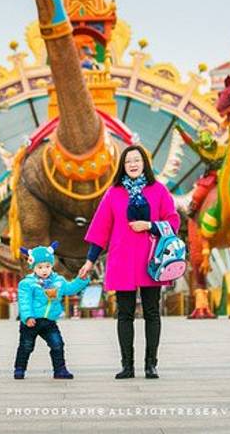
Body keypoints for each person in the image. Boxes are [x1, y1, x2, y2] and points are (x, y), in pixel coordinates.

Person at [79, 144, 181, 379]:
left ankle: (151, 365)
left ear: (145, 163)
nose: (133, 164)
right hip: (122, 260)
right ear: (122, 166)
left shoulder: (159, 190)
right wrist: (89, 261)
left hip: (152, 260)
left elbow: (173, 222)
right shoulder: (113, 193)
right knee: (124, 314)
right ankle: (127, 365)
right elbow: (101, 229)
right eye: (128, 161)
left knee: (152, 312)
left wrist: (150, 225)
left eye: (137, 160)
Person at [14, 242, 89, 380]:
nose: (44, 270)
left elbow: (70, 289)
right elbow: (24, 301)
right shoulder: (27, 283)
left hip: (49, 321)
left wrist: (81, 280)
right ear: (33, 267)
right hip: (32, 321)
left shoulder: (58, 281)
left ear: (52, 266)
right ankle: (19, 368)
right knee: (26, 346)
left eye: (47, 266)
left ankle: (60, 370)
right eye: (40, 267)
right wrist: (28, 317)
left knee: (57, 344)